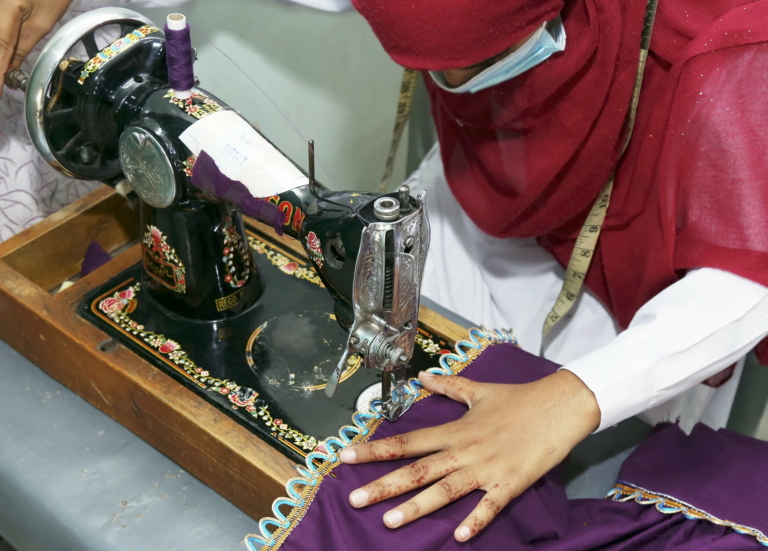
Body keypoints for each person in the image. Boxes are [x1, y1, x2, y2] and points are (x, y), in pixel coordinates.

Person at [338, 0, 768, 543]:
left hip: (651, 275)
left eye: (485, 59)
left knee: (587, 480)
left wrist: (576, 396)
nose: (458, 84)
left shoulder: (740, 46)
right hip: (481, 197)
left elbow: (746, 277)